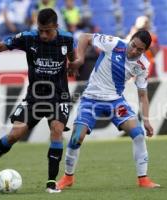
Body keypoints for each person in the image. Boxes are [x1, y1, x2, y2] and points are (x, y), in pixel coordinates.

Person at [0, 8, 75, 193]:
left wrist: (74, 64)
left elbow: (72, 57)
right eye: (40, 30)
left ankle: (51, 182)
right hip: (34, 97)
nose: (43, 34)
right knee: (16, 133)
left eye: (47, 30)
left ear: (56, 26)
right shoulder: (29, 37)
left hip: (59, 96)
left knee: (56, 130)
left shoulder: (66, 39)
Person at [57, 30, 161, 190]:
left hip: (115, 102)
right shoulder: (114, 43)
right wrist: (80, 59)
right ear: (130, 40)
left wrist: (146, 120)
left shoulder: (143, 65)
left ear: (145, 51)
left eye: (139, 50)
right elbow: (85, 37)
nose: (134, 51)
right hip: (91, 99)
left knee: (139, 134)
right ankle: (68, 177)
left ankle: (143, 179)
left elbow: (142, 95)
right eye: (133, 45)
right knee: (77, 137)